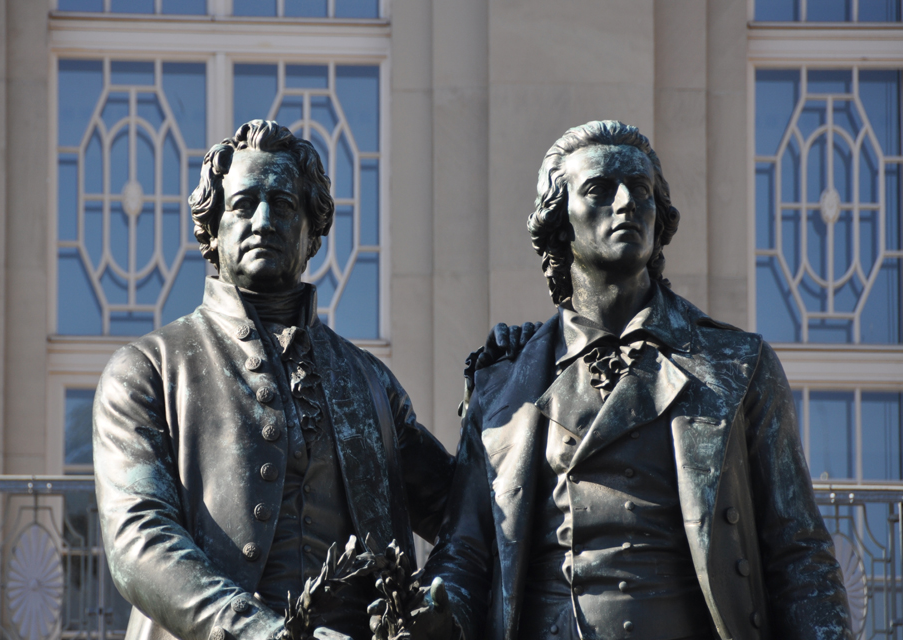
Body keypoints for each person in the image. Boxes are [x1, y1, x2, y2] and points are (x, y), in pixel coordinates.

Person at [421, 121, 851, 640]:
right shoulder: (501, 386)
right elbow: (463, 557)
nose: (626, 203)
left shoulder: (738, 365)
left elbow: (799, 553)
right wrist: (436, 615)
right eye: (600, 190)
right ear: (561, 224)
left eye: (641, 191)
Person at [94, 120, 463, 640]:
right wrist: (258, 632)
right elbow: (139, 538)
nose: (263, 221)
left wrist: (513, 380)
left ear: (313, 233)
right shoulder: (148, 369)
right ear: (212, 227)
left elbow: (465, 517)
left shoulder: (371, 383)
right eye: (244, 204)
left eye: (285, 206)